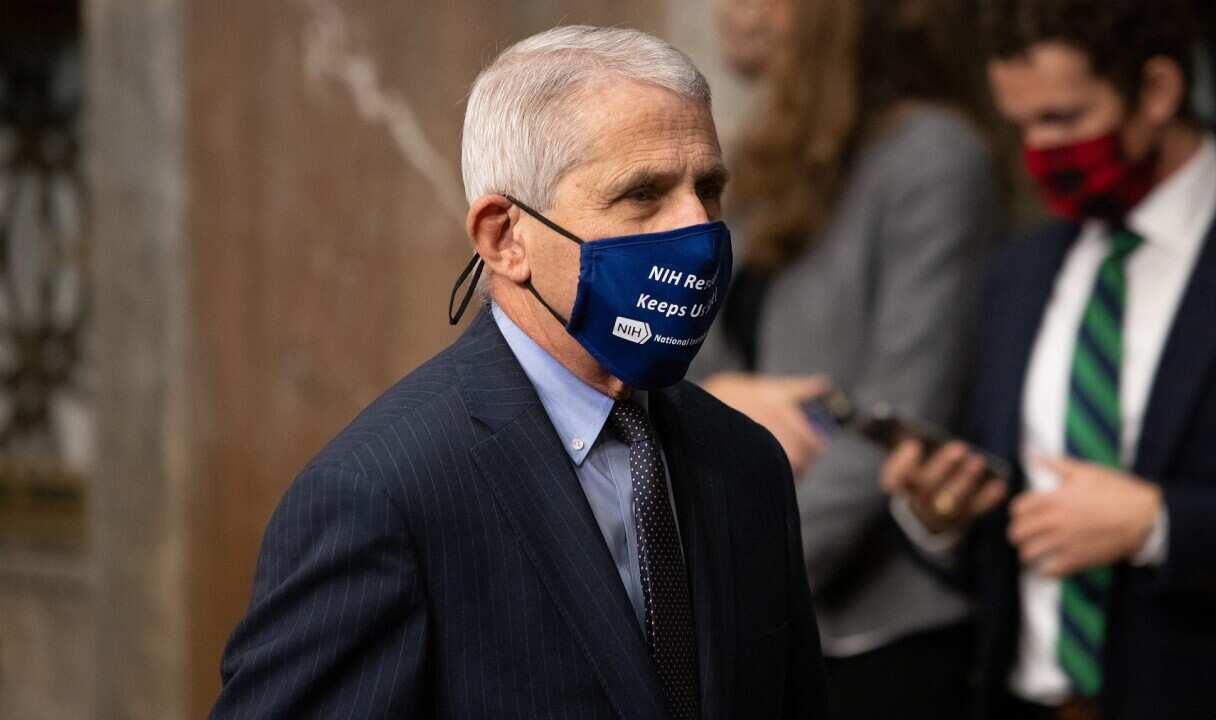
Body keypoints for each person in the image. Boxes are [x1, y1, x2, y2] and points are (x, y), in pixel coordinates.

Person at [211, 26, 826, 719]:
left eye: (708, 188)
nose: (698, 228)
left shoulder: (745, 465)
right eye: (643, 194)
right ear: (505, 238)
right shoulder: (383, 495)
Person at [881, 2, 1216, 718]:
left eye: (1062, 119)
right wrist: (942, 516)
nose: (1037, 150)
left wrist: (1161, 524)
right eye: (1021, 124)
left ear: (1157, 92)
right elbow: (1002, 544)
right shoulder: (1022, 272)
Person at [695, 1, 1004, 717]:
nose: (731, 11)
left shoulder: (935, 156)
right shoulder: (764, 155)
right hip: (765, 622)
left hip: (878, 637)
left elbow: (900, 416)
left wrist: (739, 581)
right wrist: (723, 399)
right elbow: (689, 358)